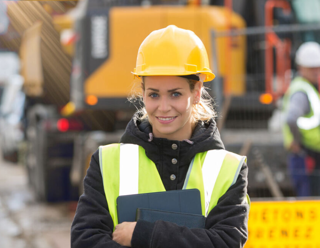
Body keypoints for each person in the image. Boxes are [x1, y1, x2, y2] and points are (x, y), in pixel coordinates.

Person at [71, 25, 250, 248]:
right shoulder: (107, 162)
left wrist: (145, 234)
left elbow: (226, 242)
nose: (163, 107)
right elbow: (85, 240)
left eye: (175, 94)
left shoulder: (228, 169)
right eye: (154, 94)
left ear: (196, 92)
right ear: (143, 93)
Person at [283, 41, 320, 196]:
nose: (315, 71)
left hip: (309, 155)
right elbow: (291, 118)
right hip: (306, 155)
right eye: (311, 68)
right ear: (301, 67)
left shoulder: (308, 87)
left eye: (317, 67)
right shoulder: (301, 91)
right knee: (309, 203)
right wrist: (297, 142)